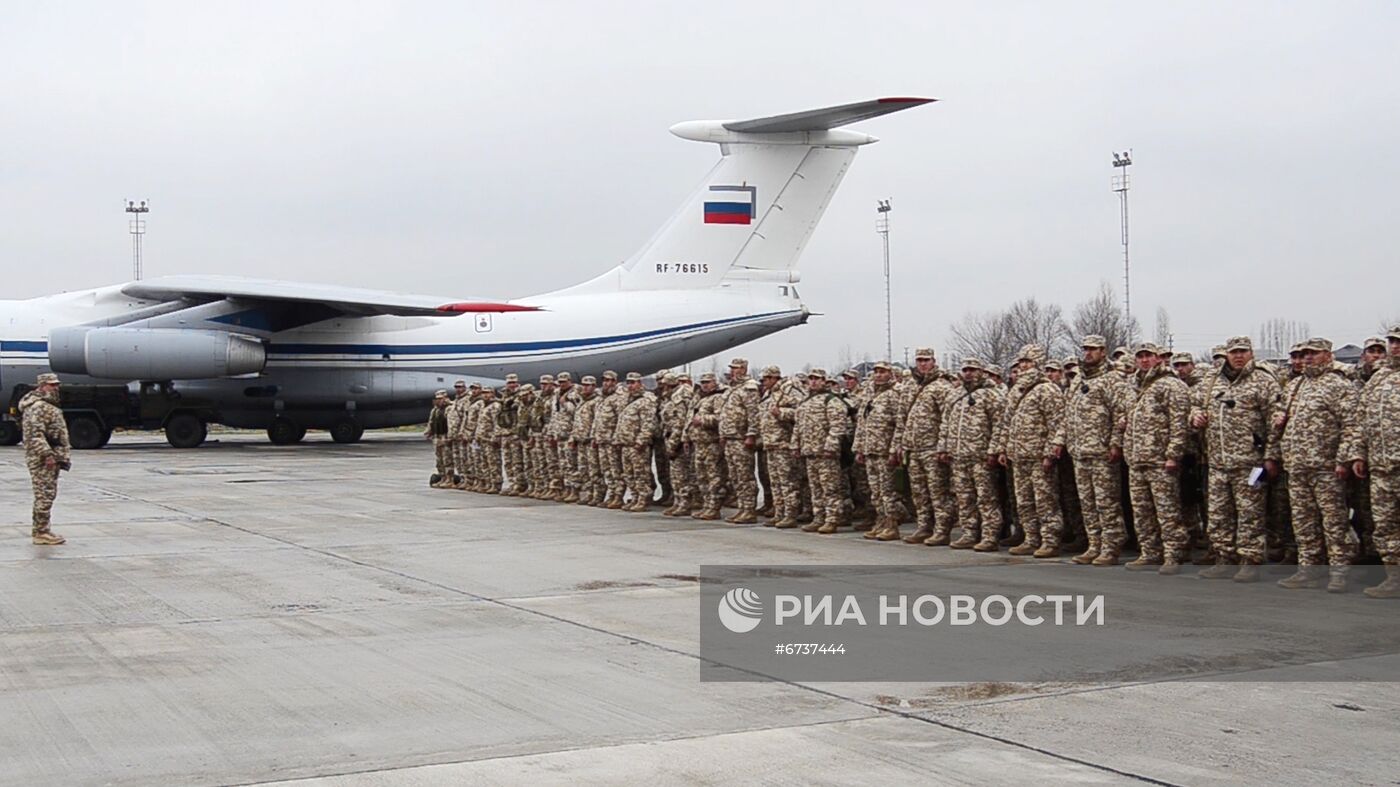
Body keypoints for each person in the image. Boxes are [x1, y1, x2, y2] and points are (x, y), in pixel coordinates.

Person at [1191, 336, 1280, 582]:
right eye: (1234, 352)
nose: (1238, 356)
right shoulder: (1211, 380)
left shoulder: (1262, 381)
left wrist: (1271, 456)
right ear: (1227, 354)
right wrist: (1196, 416)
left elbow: (1275, 421)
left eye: (1243, 351)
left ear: (1251, 353)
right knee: (1219, 513)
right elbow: (1195, 404)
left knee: (1250, 513)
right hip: (1218, 462)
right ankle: (1223, 558)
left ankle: (1250, 560)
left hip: (1250, 463)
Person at [1275, 338, 1359, 592]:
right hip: (1297, 466)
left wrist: (1344, 459)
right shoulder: (1295, 386)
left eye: (1312, 353)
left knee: (1334, 522)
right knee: (1303, 522)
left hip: (1326, 467)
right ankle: (1309, 569)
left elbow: (1352, 425)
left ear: (1327, 354)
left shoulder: (1338, 385)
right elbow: (1280, 417)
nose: (1307, 358)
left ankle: (1339, 571)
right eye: (1303, 354)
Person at [1054, 335, 1129, 566]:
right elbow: (1067, 415)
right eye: (1085, 349)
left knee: (1106, 502)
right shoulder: (1078, 381)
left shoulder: (1112, 379)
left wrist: (1116, 443)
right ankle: (1094, 544)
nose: (1088, 353)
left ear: (1103, 351)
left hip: (1102, 451)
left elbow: (1121, 414)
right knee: (1087, 502)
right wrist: (1060, 441)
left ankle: (1111, 546)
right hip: (1080, 452)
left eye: (1093, 349)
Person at [1123, 342, 1192, 573]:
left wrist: (1173, 454)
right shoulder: (1133, 386)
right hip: (1137, 458)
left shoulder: (1171, 385)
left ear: (1158, 358)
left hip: (1161, 459)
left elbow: (1179, 423)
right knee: (1142, 510)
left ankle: (1174, 553)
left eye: (1148, 356)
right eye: (1140, 356)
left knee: (1167, 510)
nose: (1144, 360)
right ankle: (1150, 552)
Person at [994, 344, 1066, 558]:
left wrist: (1050, 452)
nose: (1024, 366)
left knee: (1045, 500)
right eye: (1022, 362)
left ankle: (1050, 540)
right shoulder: (1016, 390)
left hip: (1038, 455)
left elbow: (1058, 423)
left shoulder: (1047, 389)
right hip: (1019, 454)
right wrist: (1003, 448)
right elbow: (1007, 422)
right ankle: (1031, 538)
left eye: (1029, 362)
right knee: (1024, 500)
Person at [1345, 324, 1400, 598]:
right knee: (1385, 523)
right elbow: (1360, 419)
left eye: (1398, 342)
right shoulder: (1379, 378)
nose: (1395, 347)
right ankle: (1393, 576)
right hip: (1381, 466)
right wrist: (1358, 453)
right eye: (1393, 342)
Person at [938, 358, 1006, 551]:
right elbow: (946, 424)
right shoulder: (955, 395)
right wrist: (943, 447)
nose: (968, 373)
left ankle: (990, 535)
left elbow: (1000, 425)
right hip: (958, 455)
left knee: (986, 497)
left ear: (982, 371)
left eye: (973, 370)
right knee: (964, 497)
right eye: (965, 370)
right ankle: (969, 532)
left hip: (981, 455)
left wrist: (994, 450)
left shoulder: (991, 395)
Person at [793, 369, 849, 534]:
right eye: (811, 379)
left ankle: (832, 518)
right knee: (815, 487)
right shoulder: (805, 402)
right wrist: (795, 445)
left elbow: (838, 425)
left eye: (817, 379)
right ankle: (819, 517)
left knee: (830, 487)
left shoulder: (831, 400)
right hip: (810, 452)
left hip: (825, 453)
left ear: (824, 381)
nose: (814, 382)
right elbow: (798, 426)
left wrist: (830, 446)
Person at [854, 362, 904, 541]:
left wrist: (894, 449)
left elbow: (900, 424)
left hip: (884, 449)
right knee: (875, 491)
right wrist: (859, 447)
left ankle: (892, 524)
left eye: (882, 372)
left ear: (890, 374)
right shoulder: (870, 395)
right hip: (870, 449)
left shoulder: (894, 394)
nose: (879, 375)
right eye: (876, 372)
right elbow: (862, 423)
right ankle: (880, 521)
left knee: (888, 490)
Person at [21, 373, 70, 545]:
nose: (55, 387)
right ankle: (41, 532)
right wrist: (47, 455)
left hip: (51, 456)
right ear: (41, 386)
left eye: (56, 384)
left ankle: (42, 529)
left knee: (47, 493)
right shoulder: (38, 407)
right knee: (45, 494)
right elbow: (35, 435)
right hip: (43, 459)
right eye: (51, 385)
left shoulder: (48, 405)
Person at [719, 358, 762, 524]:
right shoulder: (733, 388)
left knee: (745, 476)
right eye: (731, 368)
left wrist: (751, 434)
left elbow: (753, 413)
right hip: (730, 438)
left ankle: (749, 509)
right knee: (735, 476)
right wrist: (723, 434)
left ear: (743, 369)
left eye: (736, 368)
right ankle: (742, 508)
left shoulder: (749, 388)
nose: (732, 371)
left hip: (741, 438)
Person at [616, 372, 658, 511]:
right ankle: (634, 497)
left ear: (640, 383)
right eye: (628, 383)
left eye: (633, 382)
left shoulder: (645, 400)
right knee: (629, 474)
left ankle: (643, 498)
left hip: (637, 445)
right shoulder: (627, 400)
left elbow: (648, 423)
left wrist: (641, 440)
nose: (630, 385)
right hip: (626, 443)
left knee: (641, 473)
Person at [425, 390, 453, 487]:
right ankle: (443, 477)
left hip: (445, 436)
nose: (438, 401)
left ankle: (450, 479)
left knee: (447, 459)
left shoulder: (449, 409)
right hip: (437, 437)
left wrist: (450, 437)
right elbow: (431, 422)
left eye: (441, 398)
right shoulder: (435, 410)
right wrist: (429, 431)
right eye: (437, 399)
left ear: (445, 398)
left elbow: (452, 424)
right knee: (439, 460)